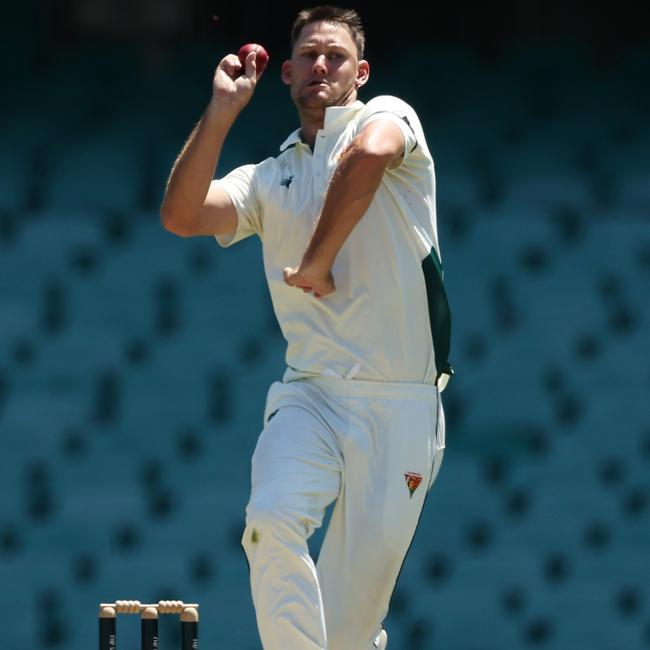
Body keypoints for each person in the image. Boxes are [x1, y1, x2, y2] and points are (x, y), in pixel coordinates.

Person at [160, 5, 453, 649]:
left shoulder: (389, 117)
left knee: (348, 632)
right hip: (311, 394)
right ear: (286, 72)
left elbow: (370, 157)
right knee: (268, 521)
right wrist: (222, 111)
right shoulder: (271, 176)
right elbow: (181, 214)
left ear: (362, 71)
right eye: (309, 56)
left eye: (337, 56)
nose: (322, 65)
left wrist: (318, 259)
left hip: (401, 403)